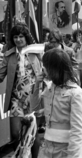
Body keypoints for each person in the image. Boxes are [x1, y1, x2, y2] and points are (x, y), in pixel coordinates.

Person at [31, 48, 82, 158]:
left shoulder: (76, 93)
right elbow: (35, 108)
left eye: (46, 66)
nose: (43, 69)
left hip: (66, 149)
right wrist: (37, 85)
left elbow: (78, 129)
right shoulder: (50, 88)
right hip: (47, 147)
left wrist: (73, 155)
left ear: (55, 69)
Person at [0, 23, 41, 157]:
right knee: (16, 133)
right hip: (16, 100)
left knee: (32, 132)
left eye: (21, 36)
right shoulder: (9, 56)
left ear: (26, 38)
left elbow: (46, 72)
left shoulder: (36, 53)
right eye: (15, 37)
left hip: (34, 98)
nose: (18, 39)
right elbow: (0, 74)